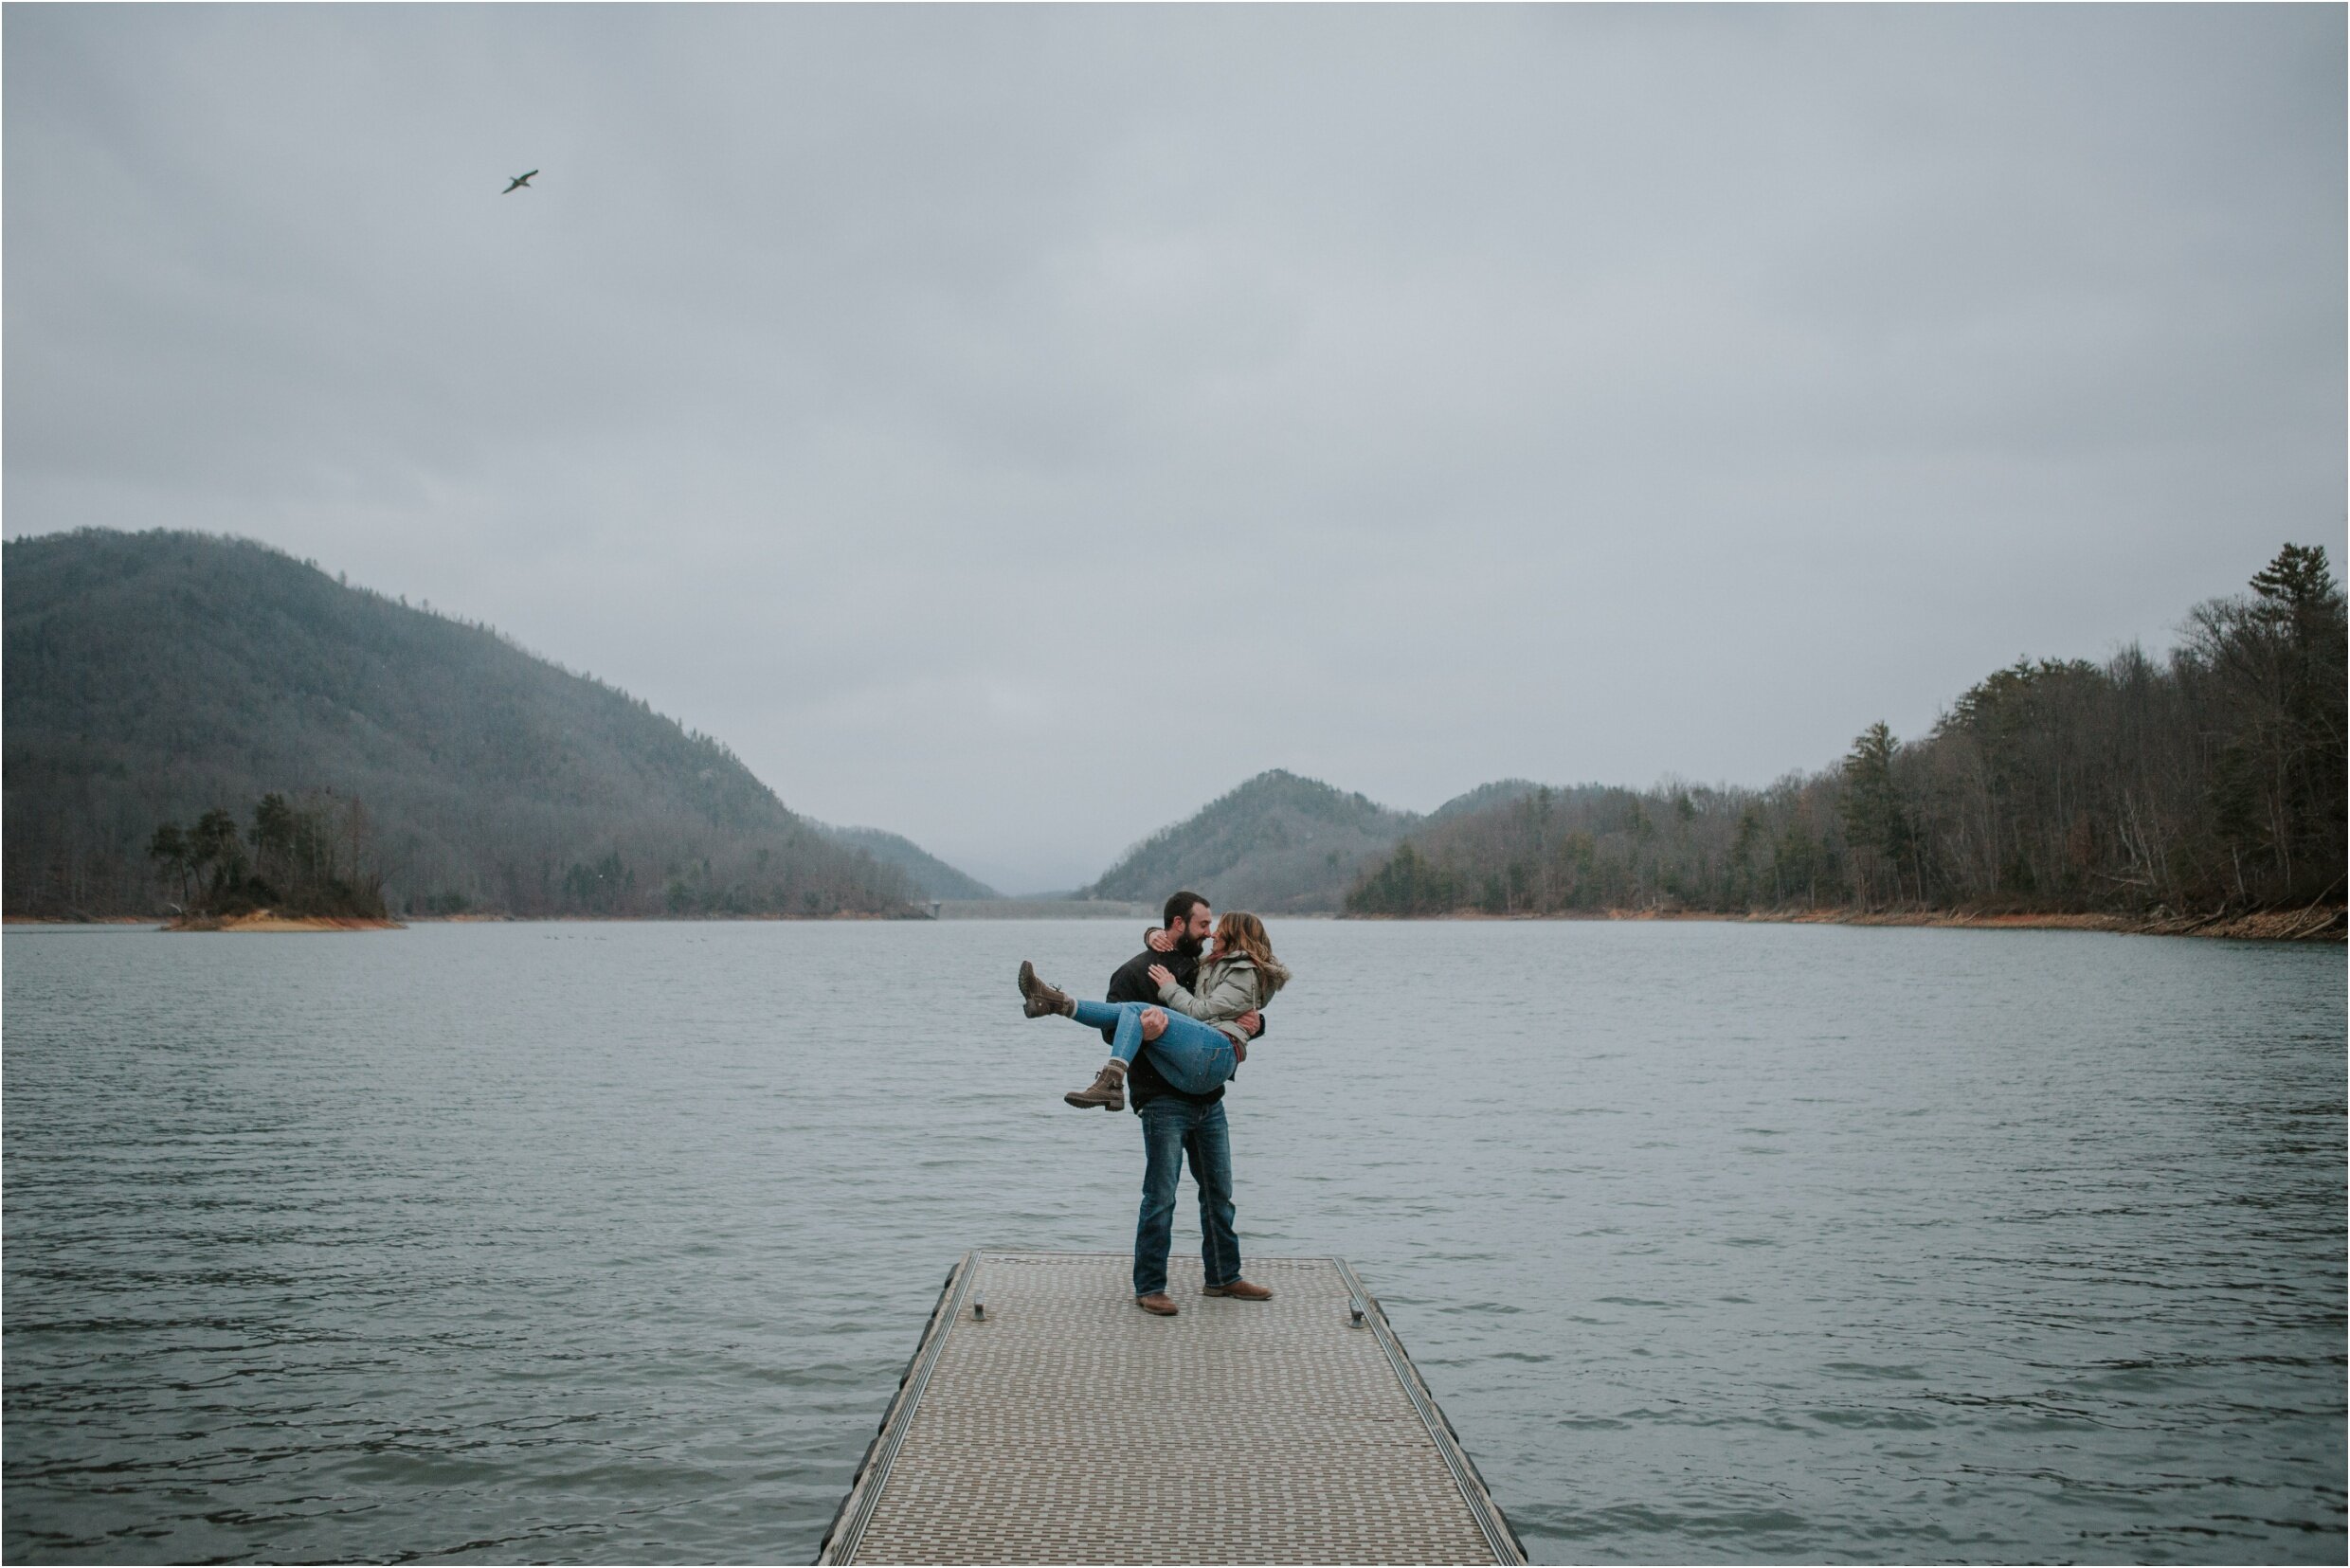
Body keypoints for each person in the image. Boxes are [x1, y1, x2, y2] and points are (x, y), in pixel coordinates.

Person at [1013, 892, 1286, 1316]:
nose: (1209, 933)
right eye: (1202, 926)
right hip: (1162, 1099)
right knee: (1160, 1196)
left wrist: (1259, 1023)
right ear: (1178, 925)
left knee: (1220, 1195)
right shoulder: (1135, 972)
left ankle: (1224, 1276)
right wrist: (1149, 1028)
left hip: (1208, 1098)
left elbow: (1229, 1009)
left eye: (1213, 928)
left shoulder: (1200, 964)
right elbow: (1115, 1028)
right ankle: (1151, 1286)